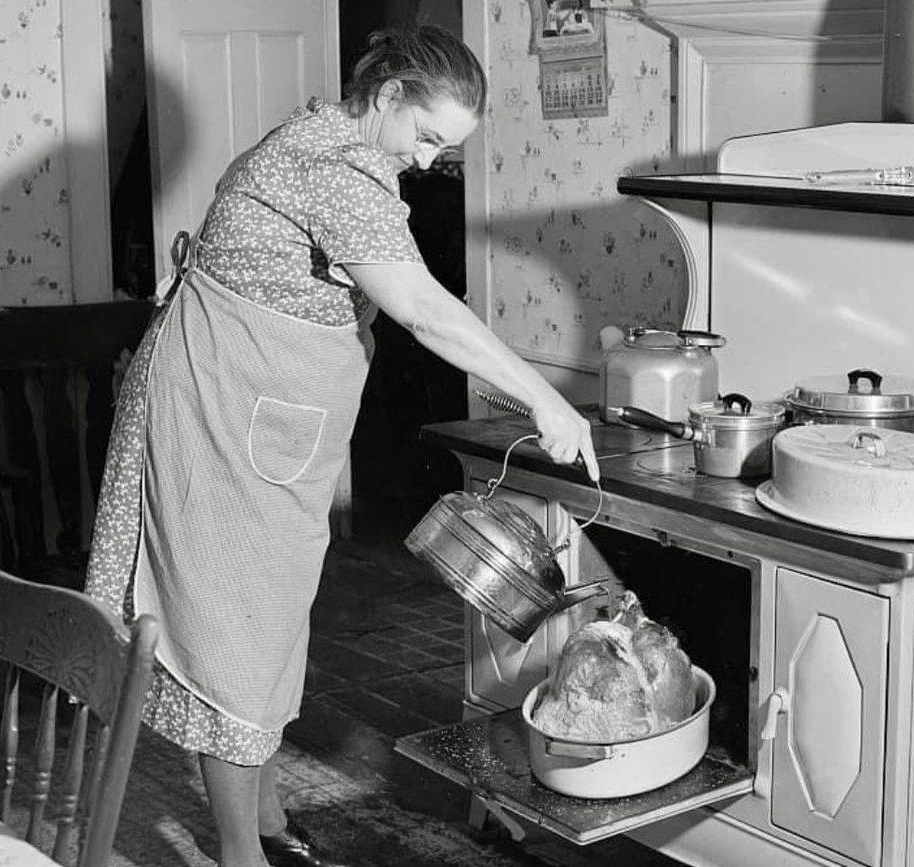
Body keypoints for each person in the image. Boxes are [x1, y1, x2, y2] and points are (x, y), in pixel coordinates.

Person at [85, 24, 600, 867]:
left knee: (270, 618)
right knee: (234, 633)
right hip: (222, 404)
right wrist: (546, 397)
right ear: (388, 95)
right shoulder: (333, 171)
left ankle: (263, 812)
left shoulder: (329, 141)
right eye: (427, 136)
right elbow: (426, 311)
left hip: (256, 407)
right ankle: (238, 853)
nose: (432, 161)